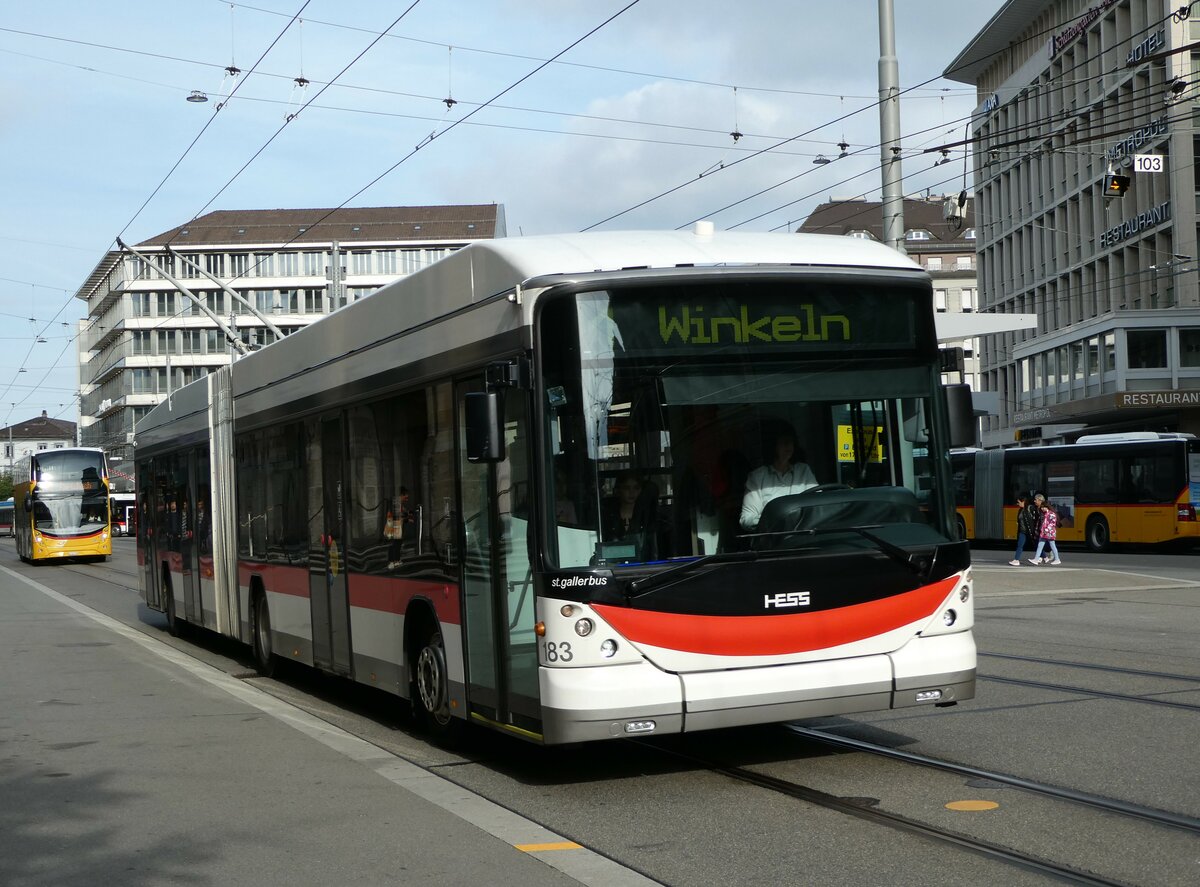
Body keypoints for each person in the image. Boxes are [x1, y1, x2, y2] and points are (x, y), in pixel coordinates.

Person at [739, 427, 818, 530]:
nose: (788, 445)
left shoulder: (804, 471)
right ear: (772, 445)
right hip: (774, 541)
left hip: (803, 538)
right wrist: (773, 521)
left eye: (791, 441)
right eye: (783, 441)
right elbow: (746, 519)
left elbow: (818, 506)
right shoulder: (757, 477)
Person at [602, 471, 649, 541]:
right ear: (618, 490)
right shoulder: (607, 516)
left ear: (640, 490)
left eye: (636, 488)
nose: (632, 492)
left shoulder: (647, 516)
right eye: (626, 488)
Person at [1009, 492, 1040, 565]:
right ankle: (1016, 560)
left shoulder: (1030, 508)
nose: (1018, 504)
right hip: (1022, 531)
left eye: (1019, 502)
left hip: (1030, 531)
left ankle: (1045, 557)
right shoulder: (1020, 510)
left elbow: (1036, 518)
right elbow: (1019, 520)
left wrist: (1036, 528)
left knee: (1036, 544)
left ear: (1023, 501)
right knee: (1020, 545)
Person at [1029, 500, 1061, 565]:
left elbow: (1052, 523)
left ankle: (1057, 559)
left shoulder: (1051, 514)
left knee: (1052, 546)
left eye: (1043, 507)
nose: (1042, 508)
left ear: (1047, 507)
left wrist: (1046, 530)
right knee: (1040, 546)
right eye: (1042, 507)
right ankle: (1036, 559)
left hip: (1049, 533)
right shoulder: (1046, 513)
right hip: (1044, 533)